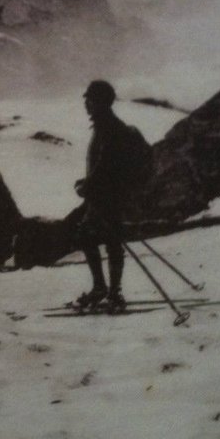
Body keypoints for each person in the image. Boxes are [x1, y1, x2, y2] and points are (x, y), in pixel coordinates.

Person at [72, 79, 142, 311]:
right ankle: (109, 290)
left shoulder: (109, 128)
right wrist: (88, 183)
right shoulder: (107, 125)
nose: (86, 104)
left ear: (100, 102)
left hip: (107, 196)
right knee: (105, 239)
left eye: (89, 100)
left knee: (94, 237)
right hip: (106, 194)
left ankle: (108, 291)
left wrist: (87, 186)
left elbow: (105, 166)